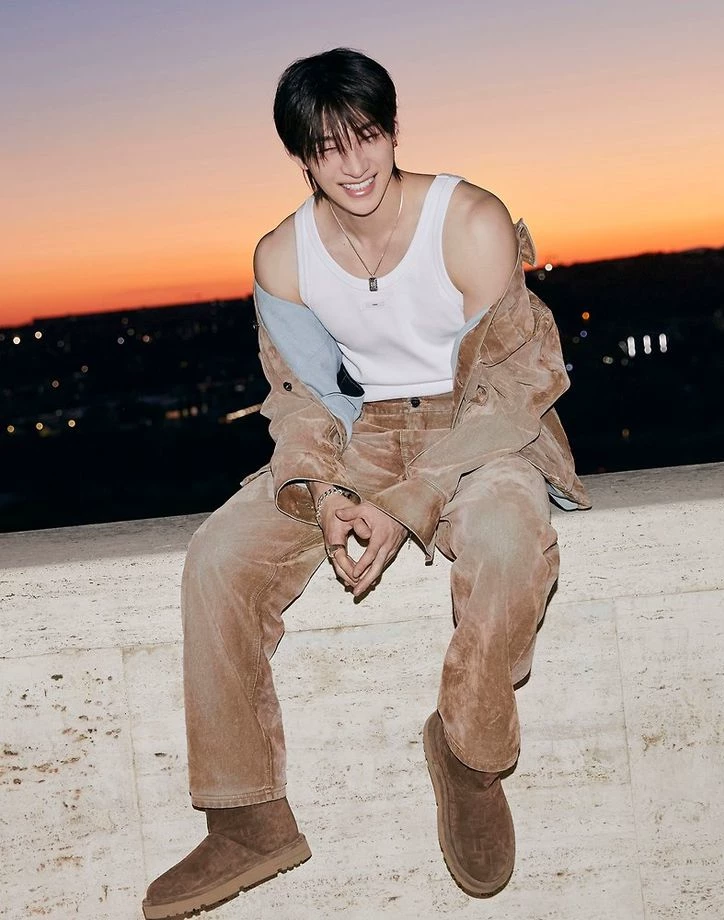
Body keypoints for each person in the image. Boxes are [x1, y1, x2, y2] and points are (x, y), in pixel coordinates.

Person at [142, 47, 590, 919]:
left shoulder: (469, 220)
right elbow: (303, 399)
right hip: (362, 435)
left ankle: (469, 755)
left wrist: (412, 502)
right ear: (301, 158)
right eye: (327, 147)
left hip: (479, 428)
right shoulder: (283, 257)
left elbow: (514, 385)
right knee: (218, 557)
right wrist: (325, 492)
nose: (353, 164)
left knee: (508, 540)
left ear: (392, 131)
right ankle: (247, 819)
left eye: (367, 136)